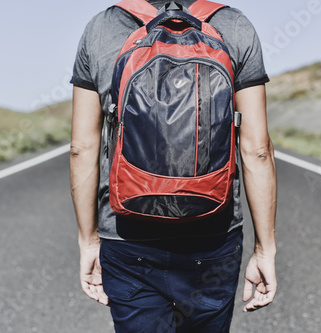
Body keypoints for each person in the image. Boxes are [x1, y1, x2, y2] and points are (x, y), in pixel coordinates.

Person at [69, 0, 277, 331]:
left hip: (126, 236)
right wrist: (265, 248)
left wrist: (88, 240)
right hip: (213, 236)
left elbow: (82, 147)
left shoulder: (103, 28)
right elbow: (257, 149)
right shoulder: (233, 25)